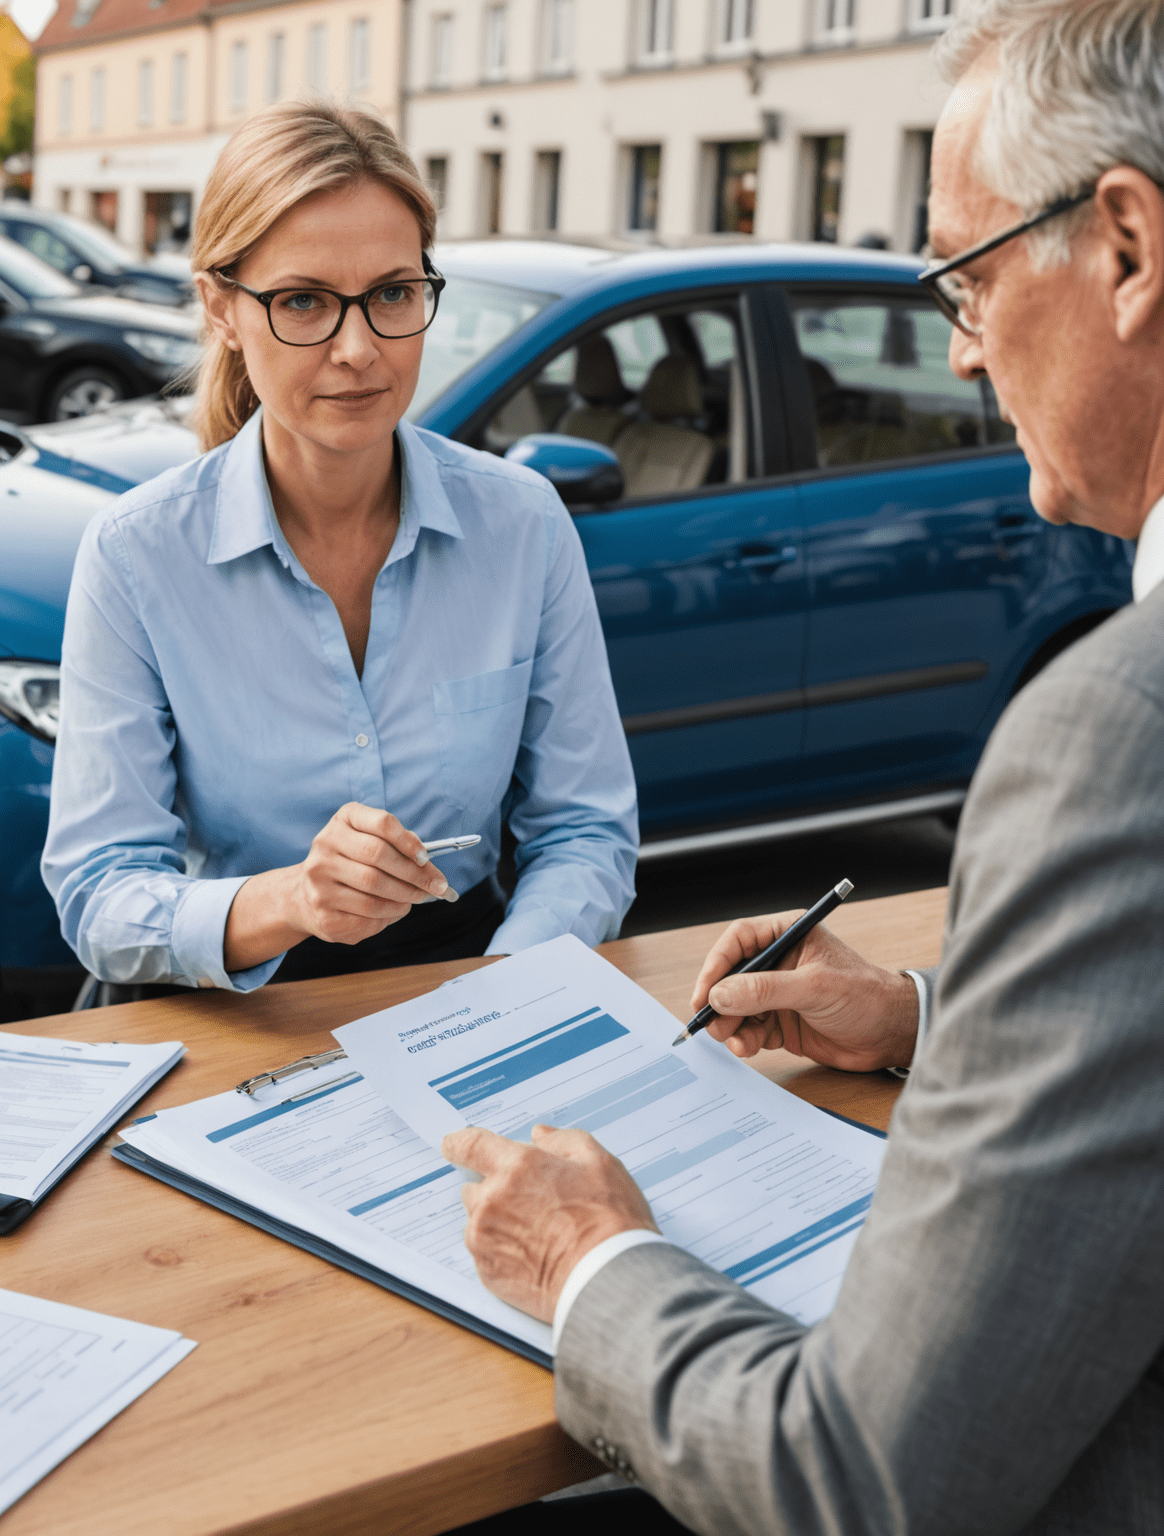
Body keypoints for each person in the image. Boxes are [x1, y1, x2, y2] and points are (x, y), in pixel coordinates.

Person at [443, 2, 1164, 1531]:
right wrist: (920, 1018)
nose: (957, 350)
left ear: (1128, 248)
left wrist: (586, 1262)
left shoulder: (1121, 729)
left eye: (966, 278)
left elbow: (863, 1481)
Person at [42, 102, 637, 995]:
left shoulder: (522, 524)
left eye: (394, 293)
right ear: (221, 310)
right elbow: (99, 892)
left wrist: (505, 995)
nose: (359, 350)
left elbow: (585, 831)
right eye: (305, 302)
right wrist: (290, 901)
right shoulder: (136, 556)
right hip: (228, 1007)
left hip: (466, 978)